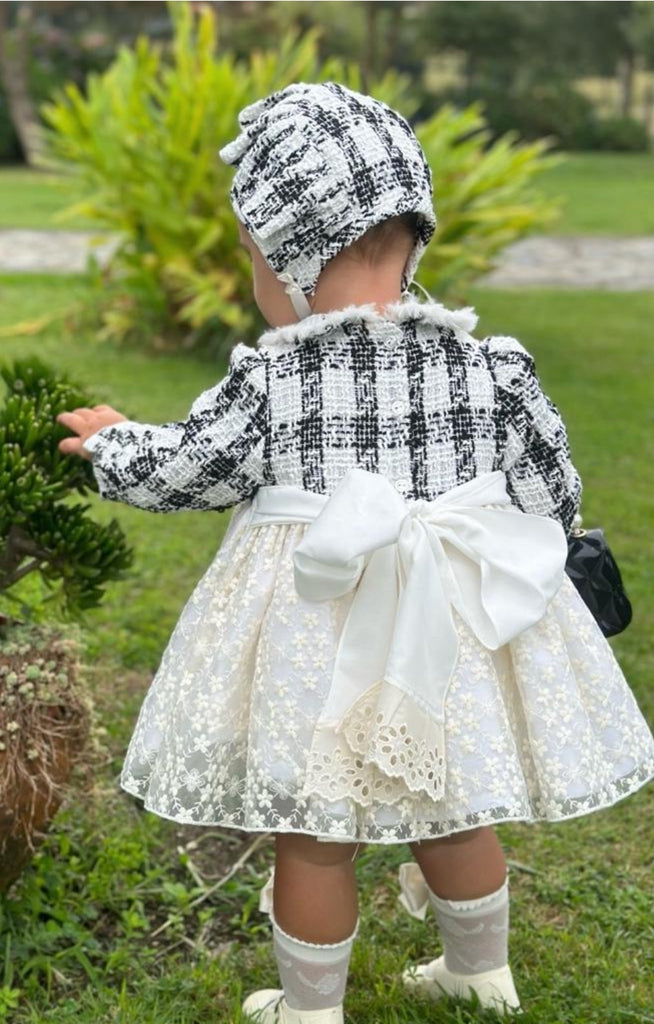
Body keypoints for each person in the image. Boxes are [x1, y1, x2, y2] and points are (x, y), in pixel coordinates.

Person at [57, 82, 654, 1023]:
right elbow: (552, 491)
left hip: (311, 633)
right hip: (454, 632)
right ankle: (480, 973)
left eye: (252, 255)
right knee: (450, 803)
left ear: (286, 257)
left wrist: (113, 443)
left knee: (313, 829)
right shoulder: (493, 366)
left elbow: (187, 470)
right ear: (414, 238)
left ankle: (311, 1009)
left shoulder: (275, 378)